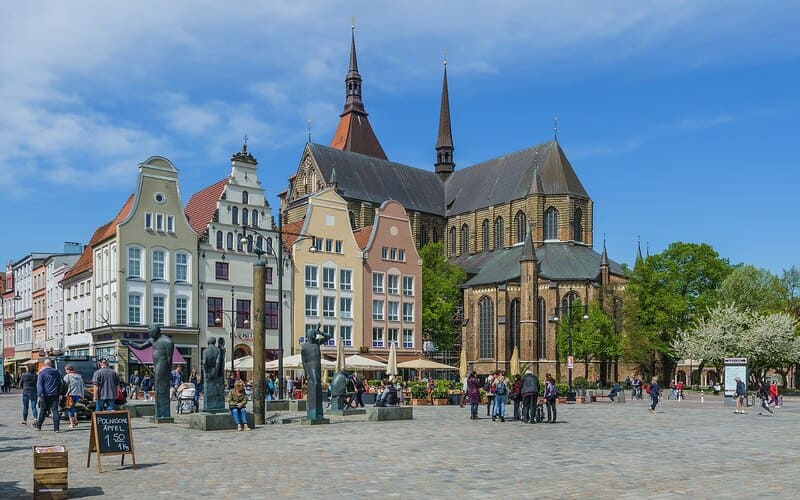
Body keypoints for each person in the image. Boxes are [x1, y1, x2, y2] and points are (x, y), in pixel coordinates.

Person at [34, 359, 62, 432]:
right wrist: (59, 393)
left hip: (45, 395)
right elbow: (60, 383)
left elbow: (39, 385)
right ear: (51, 364)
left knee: (43, 410)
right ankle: (56, 428)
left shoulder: (42, 373)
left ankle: (39, 426)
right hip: (55, 394)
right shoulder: (57, 372)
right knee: (55, 411)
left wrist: (39, 395)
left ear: (45, 364)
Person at [63, 365, 85, 429]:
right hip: (77, 394)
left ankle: (72, 424)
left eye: (66, 370)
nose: (65, 371)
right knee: (73, 407)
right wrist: (82, 395)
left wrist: (63, 394)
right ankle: (75, 419)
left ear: (68, 369)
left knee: (70, 409)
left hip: (70, 395)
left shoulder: (67, 376)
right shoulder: (79, 376)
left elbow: (64, 386)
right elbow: (82, 386)